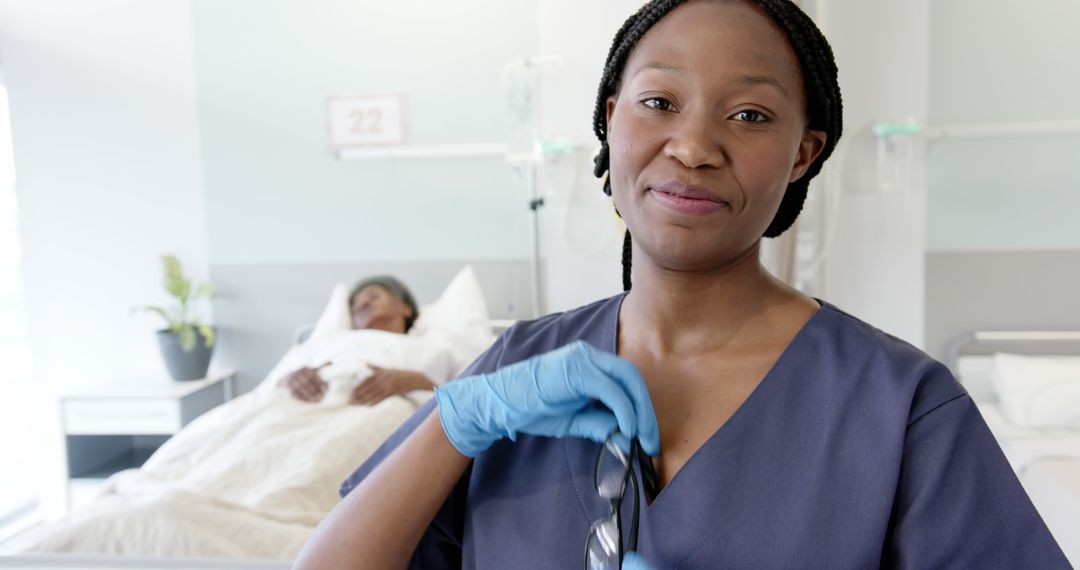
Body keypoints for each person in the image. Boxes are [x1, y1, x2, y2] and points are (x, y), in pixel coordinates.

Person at [294, 1, 1070, 568]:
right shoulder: (513, 372)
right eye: (659, 102)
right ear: (610, 119)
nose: (694, 146)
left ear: (804, 152)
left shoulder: (899, 407)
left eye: (750, 115)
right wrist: (450, 422)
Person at [277, 276, 439, 405]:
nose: (364, 303)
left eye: (374, 296)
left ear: (406, 309)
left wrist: (415, 381)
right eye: (356, 306)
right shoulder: (325, 342)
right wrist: (291, 380)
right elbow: (271, 386)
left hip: (381, 410)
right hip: (300, 406)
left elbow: (457, 397)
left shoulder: (429, 346)